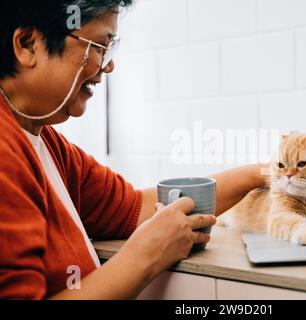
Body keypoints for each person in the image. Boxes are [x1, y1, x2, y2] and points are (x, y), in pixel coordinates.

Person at [0, 0, 267, 299]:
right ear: (28, 45)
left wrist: (265, 173)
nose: (109, 64)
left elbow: (136, 207)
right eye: (99, 47)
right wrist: (145, 256)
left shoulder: (47, 144)